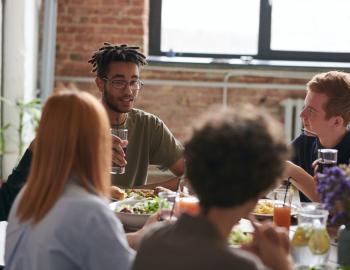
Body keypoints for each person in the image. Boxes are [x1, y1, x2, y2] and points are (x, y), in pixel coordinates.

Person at [0, 43, 184, 220]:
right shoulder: (74, 123)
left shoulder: (149, 125)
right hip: (76, 219)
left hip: (129, 219)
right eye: (119, 82)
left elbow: (191, 175)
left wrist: (137, 192)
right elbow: (31, 186)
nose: (129, 91)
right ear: (100, 84)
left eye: (134, 82)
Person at [4, 90, 153, 270]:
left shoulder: (26, 199)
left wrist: (140, 236)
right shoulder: (89, 210)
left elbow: (78, 245)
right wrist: (156, 237)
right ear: (93, 142)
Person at [133, 105, 293, 270]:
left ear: (193, 179)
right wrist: (283, 264)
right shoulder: (244, 265)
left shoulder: (152, 240)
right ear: (260, 190)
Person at [286, 71, 350, 202]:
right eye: (304, 107)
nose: (301, 114)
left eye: (311, 111)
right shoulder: (304, 142)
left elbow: (336, 207)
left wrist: (292, 171)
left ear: (337, 121)